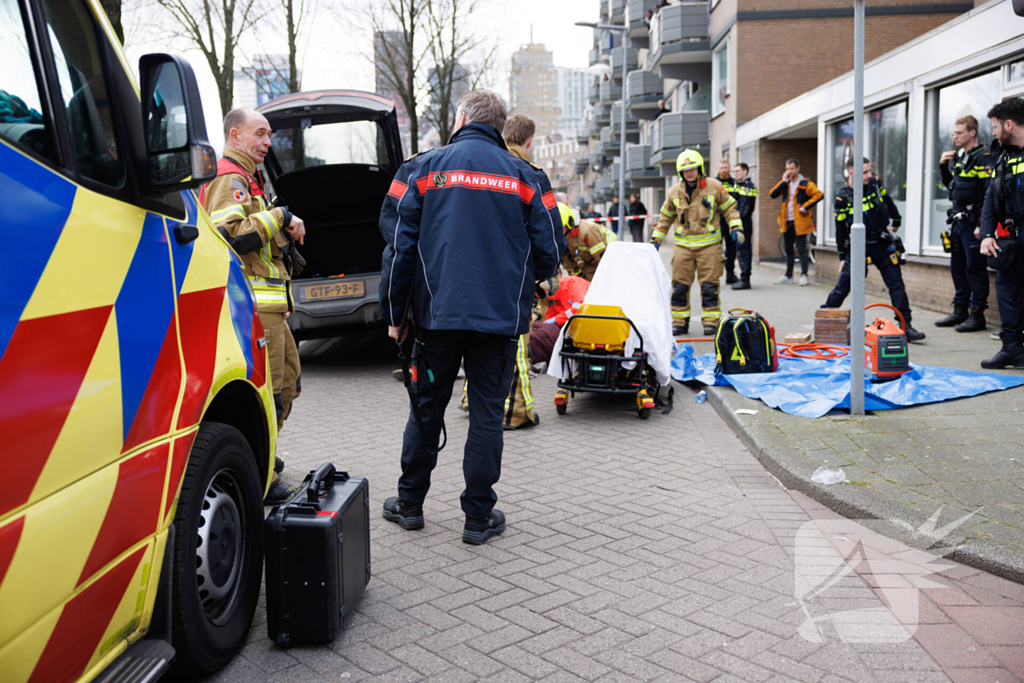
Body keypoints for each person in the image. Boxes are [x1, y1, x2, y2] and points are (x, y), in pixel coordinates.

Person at [378, 90, 564, 544]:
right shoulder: (528, 177)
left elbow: (399, 248)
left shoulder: (420, 170)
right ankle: (478, 519)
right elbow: (552, 250)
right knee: (485, 415)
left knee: (426, 408)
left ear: (460, 117)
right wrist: (533, 279)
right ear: (500, 127)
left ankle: (410, 505)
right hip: (499, 320)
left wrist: (394, 312)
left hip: (436, 316)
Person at [200, 108, 306, 504]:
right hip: (254, 309)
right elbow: (231, 236)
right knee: (272, 392)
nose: (267, 142)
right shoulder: (231, 178)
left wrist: (282, 223)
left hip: (272, 308)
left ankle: (263, 461)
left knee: (289, 382)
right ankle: (262, 476)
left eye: (270, 135)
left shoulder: (249, 179)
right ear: (235, 134)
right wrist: (280, 216)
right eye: (260, 134)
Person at [822, 157, 925, 342]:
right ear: (851, 173)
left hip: (881, 243)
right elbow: (840, 230)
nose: (870, 175)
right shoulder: (843, 198)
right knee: (843, 287)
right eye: (865, 172)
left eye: (870, 171)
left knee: (897, 285)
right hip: (858, 247)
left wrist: (897, 220)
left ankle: (906, 326)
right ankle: (825, 321)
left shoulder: (875, 184)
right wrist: (841, 256)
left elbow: (887, 200)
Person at [651, 149, 743, 337]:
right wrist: (656, 240)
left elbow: (730, 209)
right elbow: (665, 218)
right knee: (679, 287)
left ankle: (711, 323)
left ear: (699, 168)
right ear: (681, 173)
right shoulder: (674, 192)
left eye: (693, 169)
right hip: (683, 248)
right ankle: (679, 323)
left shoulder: (715, 186)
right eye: (686, 170)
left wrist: (737, 228)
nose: (690, 173)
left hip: (709, 248)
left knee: (709, 286)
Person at [935, 115, 994, 331]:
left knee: (974, 268)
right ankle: (960, 311)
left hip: (973, 223)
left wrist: (982, 226)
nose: (955, 137)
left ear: (972, 133)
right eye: (954, 133)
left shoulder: (983, 158)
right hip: (958, 224)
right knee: (957, 267)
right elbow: (951, 185)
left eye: (959, 133)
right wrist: (943, 165)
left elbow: (989, 194)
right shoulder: (959, 157)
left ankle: (977, 316)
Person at [978, 97, 1024, 369]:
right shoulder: (1004, 156)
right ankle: (1012, 348)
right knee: (1006, 291)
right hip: (1013, 239)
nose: (993, 133)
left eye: (996, 127)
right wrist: (986, 234)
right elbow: (991, 199)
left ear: (1009, 124)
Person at [769, 158, 822, 285]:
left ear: (798, 169)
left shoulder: (805, 183)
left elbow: (819, 195)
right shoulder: (786, 184)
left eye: (792, 169)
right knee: (788, 249)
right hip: (787, 222)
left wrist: (806, 206)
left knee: (802, 249)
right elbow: (772, 194)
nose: (790, 171)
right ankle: (789, 275)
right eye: (787, 169)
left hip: (801, 222)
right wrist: (783, 181)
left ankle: (804, 275)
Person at [561, 203, 608, 281]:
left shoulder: (587, 231)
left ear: (569, 223)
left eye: (560, 227)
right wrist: (578, 279)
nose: (556, 232)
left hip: (604, 257)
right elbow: (567, 260)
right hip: (587, 263)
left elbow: (600, 258)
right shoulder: (564, 236)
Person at [730, 162, 758, 290]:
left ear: (745, 171)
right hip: (739, 223)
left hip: (743, 223)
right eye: (734, 171)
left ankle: (745, 279)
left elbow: (745, 208)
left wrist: (736, 222)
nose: (735, 173)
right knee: (740, 250)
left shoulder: (748, 187)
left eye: (738, 171)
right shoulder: (739, 185)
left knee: (744, 251)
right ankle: (743, 278)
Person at [717, 159, 739, 285]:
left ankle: (730, 275)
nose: (724, 170)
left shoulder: (735, 183)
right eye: (722, 168)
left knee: (731, 249)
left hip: (730, 220)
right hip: (717, 220)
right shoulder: (713, 183)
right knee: (715, 249)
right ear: (718, 169)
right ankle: (714, 276)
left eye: (726, 167)